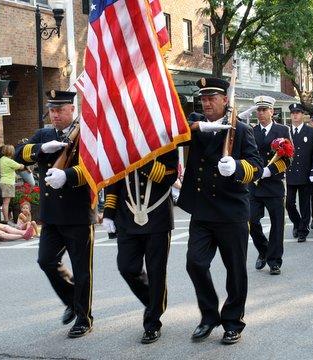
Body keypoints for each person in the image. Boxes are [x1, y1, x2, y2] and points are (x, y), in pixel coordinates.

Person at [178, 77, 263, 345]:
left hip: (231, 212)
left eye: (212, 98)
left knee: (235, 270)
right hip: (202, 212)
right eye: (203, 99)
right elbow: (170, 134)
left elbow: (256, 166)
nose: (206, 103)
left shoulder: (240, 129)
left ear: (225, 100)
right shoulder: (194, 125)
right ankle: (209, 315)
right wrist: (197, 126)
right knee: (195, 263)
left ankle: (232, 321)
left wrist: (236, 167)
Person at [15, 90, 95, 338]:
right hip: (51, 215)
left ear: (72, 109)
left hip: (78, 213)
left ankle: (84, 317)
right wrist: (41, 148)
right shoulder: (45, 134)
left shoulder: (86, 134)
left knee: (82, 270)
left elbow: (94, 168)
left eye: (60, 110)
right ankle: (73, 300)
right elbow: (18, 152)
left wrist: (68, 176)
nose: (55, 114)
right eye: (52, 110)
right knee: (46, 260)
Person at [102, 150, 178, 344]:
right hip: (127, 216)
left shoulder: (165, 142)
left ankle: (152, 322)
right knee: (127, 267)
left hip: (158, 215)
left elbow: (170, 176)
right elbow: (114, 177)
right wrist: (109, 211)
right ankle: (155, 302)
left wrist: (140, 161)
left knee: (156, 271)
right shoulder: (121, 143)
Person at [249, 95, 291, 275]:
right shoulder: (250, 131)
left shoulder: (283, 130)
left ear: (272, 111)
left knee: (277, 224)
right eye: (258, 110)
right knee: (251, 221)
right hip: (255, 185)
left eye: (264, 110)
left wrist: (270, 170)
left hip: (273, 185)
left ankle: (274, 261)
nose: (261, 113)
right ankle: (263, 250)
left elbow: (288, 159)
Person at [286, 103, 313, 242]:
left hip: (306, 174)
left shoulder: (310, 132)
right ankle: (297, 223)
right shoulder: (286, 132)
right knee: (289, 203)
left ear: (302, 115)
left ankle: (303, 229)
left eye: (298, 112)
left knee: (305, 204)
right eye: (293, 113)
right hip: (291, 173)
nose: (295, 115)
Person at [0, 145, 25, 224]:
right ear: (12, 152)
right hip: (8, 183)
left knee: (5, 202)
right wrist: (23, 165)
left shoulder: (2, 159)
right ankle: (6, 220)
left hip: (2, 181)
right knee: (6, 203)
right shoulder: (10, 161)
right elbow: (20, 166)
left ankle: (7, 217)